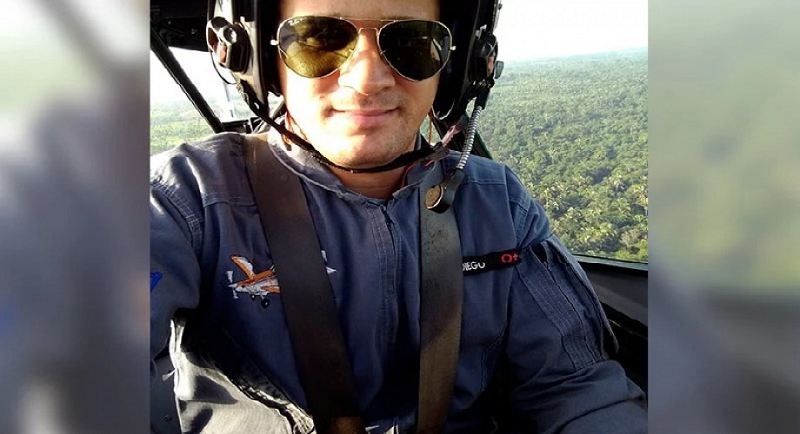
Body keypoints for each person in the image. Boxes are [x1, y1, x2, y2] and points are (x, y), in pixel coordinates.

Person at [150, 0, 647, 432]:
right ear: (260, 57)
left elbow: (573, 387)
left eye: (411, 41)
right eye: (319, 38)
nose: (367, 79)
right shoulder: (188, 201)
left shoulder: (498, 205)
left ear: (458, 64)